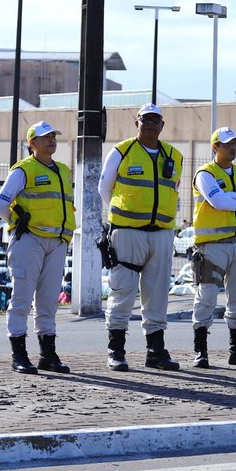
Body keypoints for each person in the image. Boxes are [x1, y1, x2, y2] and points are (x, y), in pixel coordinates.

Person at [98, 103, 183, 371]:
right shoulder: (122, 152)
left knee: (157, 295)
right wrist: (121, 216)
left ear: (162, 125)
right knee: (122, 291)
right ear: (136, 123)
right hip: (127, 233)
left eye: (155, 120)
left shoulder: (174, 155)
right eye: (145, 119)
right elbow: (104, 188)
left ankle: (155, 352)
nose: (150, 124)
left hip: (161, 234)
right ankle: (116, 351)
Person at [0, 120, 75, 375]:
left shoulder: (63, 170)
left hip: (58, 241)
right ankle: (19, 354)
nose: (51, 140)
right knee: (22, 299)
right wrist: (16, 222)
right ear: (32, 143)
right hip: (29, 240)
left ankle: (47, 354)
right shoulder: (23, 170)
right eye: (44, 136)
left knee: (49, 301)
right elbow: (0, 204)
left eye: (53, 135)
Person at [189, 126, 236, 368]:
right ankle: (201, 351)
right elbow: (217, 201)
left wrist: (230, 196)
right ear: (215, 147)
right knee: (206, 297)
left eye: (235, 143)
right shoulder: (205, 174)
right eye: (226, 144)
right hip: (211, 247)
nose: (232, 147)